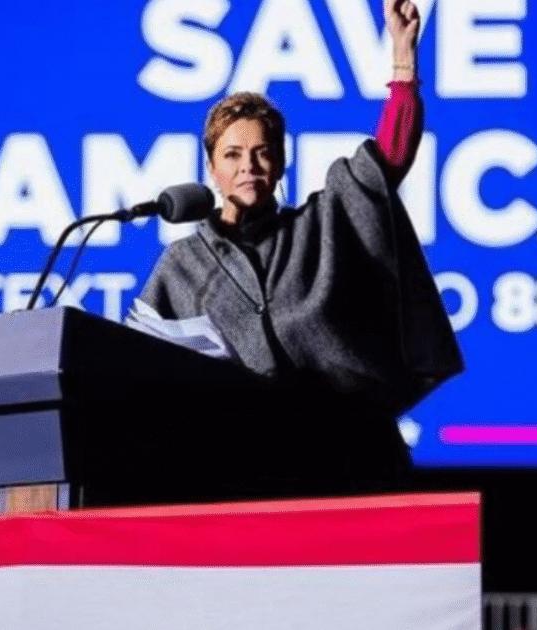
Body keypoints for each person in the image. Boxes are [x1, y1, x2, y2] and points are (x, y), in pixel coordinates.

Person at [137, 0, 461, 493]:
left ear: (282, 162)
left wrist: (403, 60)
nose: (249, 165)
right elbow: (142, 378)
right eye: (233, 154)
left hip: (354, 457)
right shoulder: (182, 267)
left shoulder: (322, 224)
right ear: (212, 168)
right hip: (241, 473)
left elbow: (389, 159)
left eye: (262, 152)